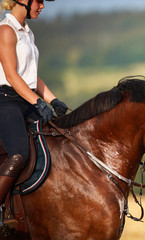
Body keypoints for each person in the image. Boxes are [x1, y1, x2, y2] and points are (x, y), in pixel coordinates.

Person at [0, 0, 68, 223]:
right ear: (22, 0)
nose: (43, 6)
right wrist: (38, 103)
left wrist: (52, 99)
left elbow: (31, 76)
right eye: (39, 1)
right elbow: (11, 76)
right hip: (7, 101)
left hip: (27, 100)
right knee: (20, 154)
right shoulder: (6, 30)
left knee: (59, 141)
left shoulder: (28, 33)